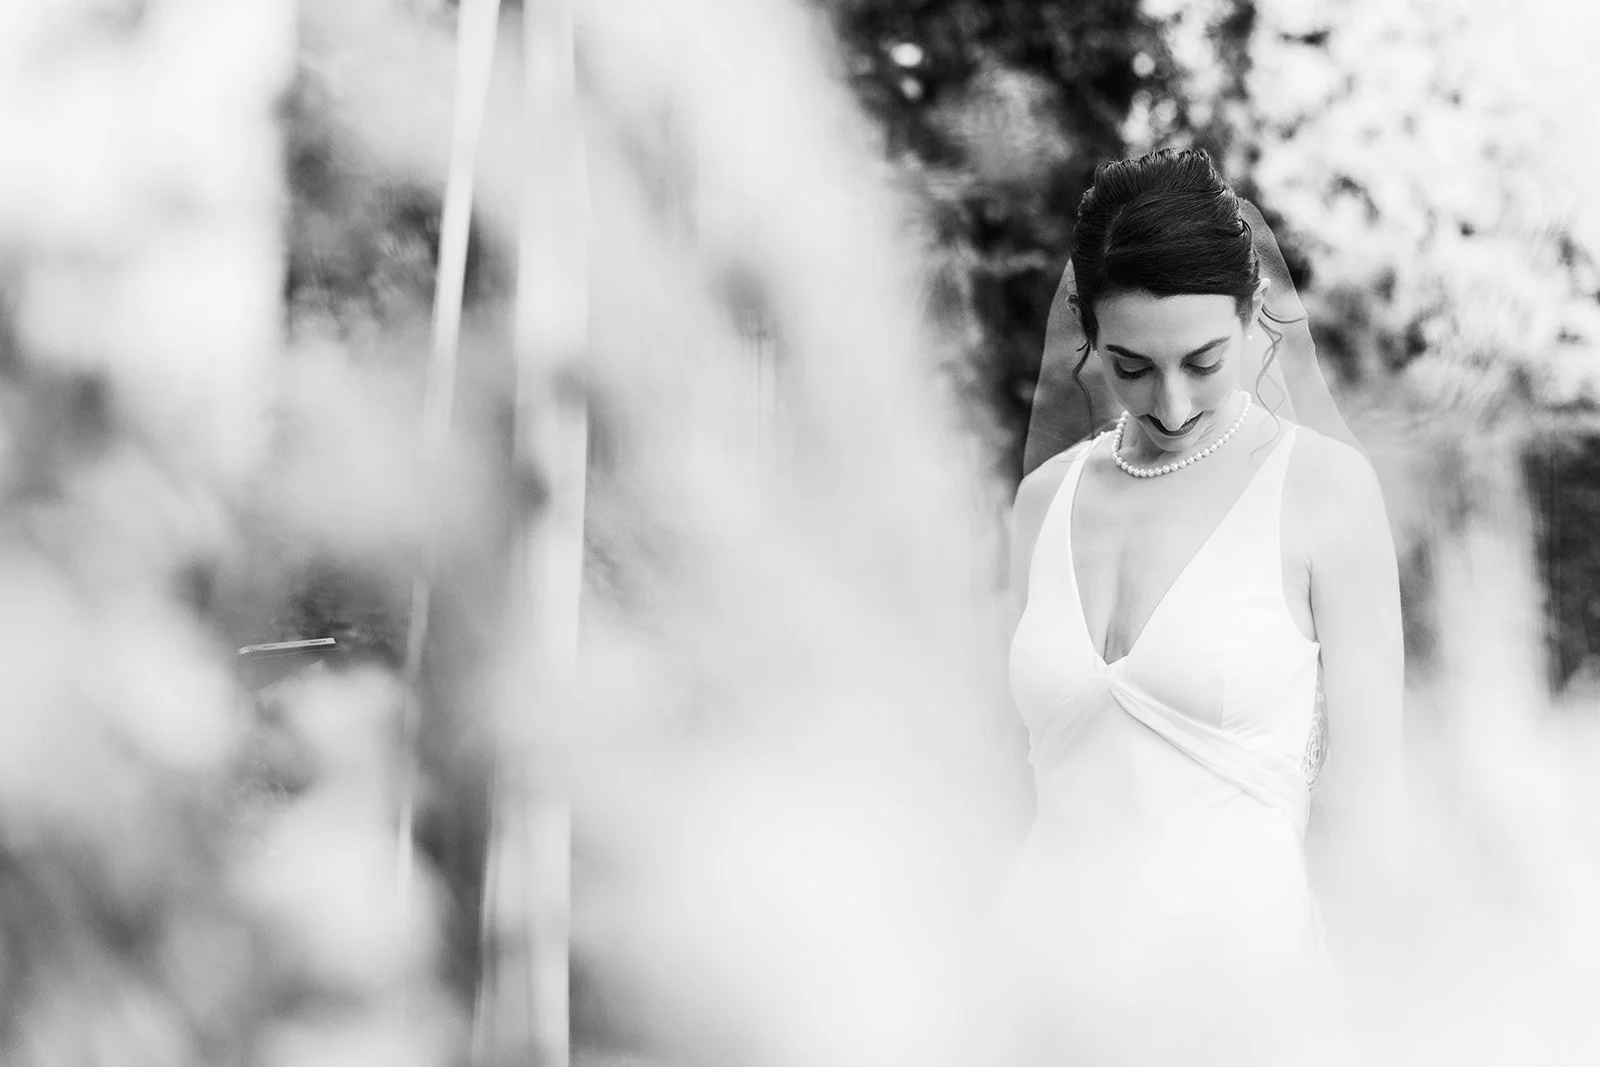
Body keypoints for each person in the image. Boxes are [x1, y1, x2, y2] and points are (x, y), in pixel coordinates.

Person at [995, 148, 1407, 1066]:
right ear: (1088, 336)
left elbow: (1373, 807)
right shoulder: (1044, 500)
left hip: (1238, 1006)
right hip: (1042, 992)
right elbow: (1012, 777)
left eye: (1203, 361)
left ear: (1253, 319)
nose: (1171, 402)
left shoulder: (1324, 491)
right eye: (1133, 366)